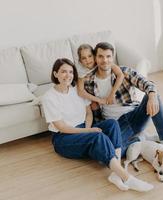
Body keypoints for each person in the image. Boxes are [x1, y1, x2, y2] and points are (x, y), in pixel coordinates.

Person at [41, 58, 153, 192]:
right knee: (97, 137)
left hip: (84, 127)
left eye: (71, 72)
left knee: (112, 124)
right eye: (63, 72)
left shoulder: (76, 89)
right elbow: (61, 127)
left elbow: (88, 113)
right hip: (63, 138)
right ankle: (127, 178)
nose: (68, 75)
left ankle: (115, 173)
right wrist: (89, 132)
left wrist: (88, 128)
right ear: (55, 74)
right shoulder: (49, 97)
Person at [84, 42, 163, 166]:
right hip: (116, 125)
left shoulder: (125, 72)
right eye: (101, 56)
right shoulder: (89, 81)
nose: (105, 60)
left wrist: (152, 97)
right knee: (104, 157)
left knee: (153, 95)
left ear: (113, 57)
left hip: (134, 116)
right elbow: (95, 112)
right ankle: (142, 139)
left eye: (108, 56)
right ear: (95, 57)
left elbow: (148, 84)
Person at [76, 44, 124, 121]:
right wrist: (99, 100)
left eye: (89, 56)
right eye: (84, 58)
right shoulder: (81, 72)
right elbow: (81, 92)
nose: (88, 60)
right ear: (80, 61)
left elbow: (120, 74)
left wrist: (112, 93)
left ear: (94, 56)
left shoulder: (103, 63)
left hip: (98, 89)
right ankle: (98, 121)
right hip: (89, 92)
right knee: (93, 104)